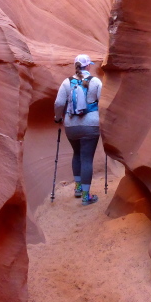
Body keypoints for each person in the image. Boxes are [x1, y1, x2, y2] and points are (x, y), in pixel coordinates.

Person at [54, 54, 102, 206]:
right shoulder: (95, 82)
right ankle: (86, 197)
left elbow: (59, 103)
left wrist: (57, 118)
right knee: (87, 158)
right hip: (91, 125)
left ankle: (78, 188)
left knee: (77, 154)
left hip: (71, 125)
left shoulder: (66, 82)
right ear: (88, 66)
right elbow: (103, 102)